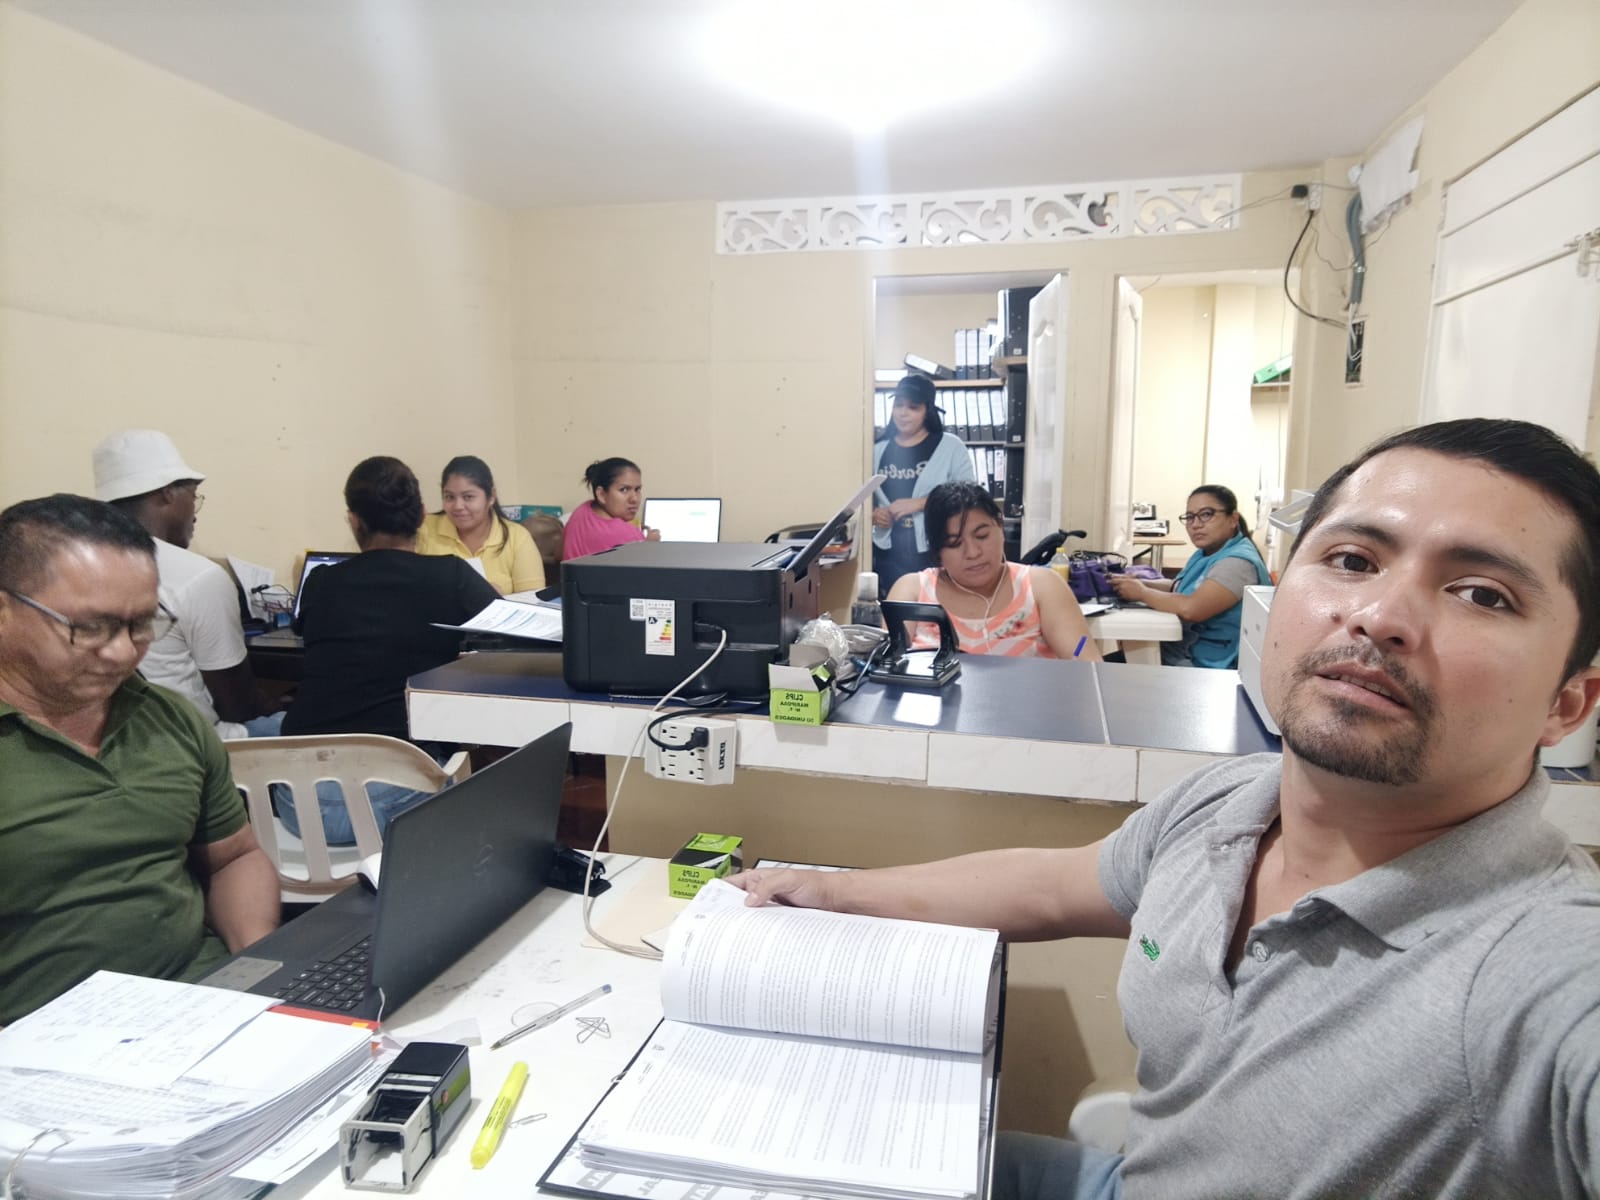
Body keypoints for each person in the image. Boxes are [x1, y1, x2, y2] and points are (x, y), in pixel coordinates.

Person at [734, 418, 1600, 1199]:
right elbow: (1052, 885)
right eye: (1353, 560)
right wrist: (836, 890)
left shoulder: (1542, 968)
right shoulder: (1226, 804)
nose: (1381, 615)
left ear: (1569, 703)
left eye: (1482, 593)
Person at [0, 494, 280, 1023]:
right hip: (39, 1041)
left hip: (204, 1001)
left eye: (142, 624)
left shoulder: (169, 719)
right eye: (90, 627)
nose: (123, 652)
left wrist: (259, 964)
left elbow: (234, 857)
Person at [278, 456, 500, 845]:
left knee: (266, 724)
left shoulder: (321, 581)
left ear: (353, 520)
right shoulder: (450, 576)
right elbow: (509, 628)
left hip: (300, 803)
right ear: (421, 514)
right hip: (394, 799)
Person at [93, 429, 284, 736]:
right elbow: (238, 705)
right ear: (167, 492)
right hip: (196, 744)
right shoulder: (198, 576)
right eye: (194, 497)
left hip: (113, 739)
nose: (194, 515)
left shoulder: (77, 564)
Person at [886, 482, 1100, 661]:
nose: (973, 552)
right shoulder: (912, 591)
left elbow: (1083, 654)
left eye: (982, 536)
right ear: (937, 550)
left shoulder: (1042, 586)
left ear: (1000, 526)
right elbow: (886, 668)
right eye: (954, 543)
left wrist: (1078, 653)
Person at [1109, 483, 1269, 668]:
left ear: (1233, 519)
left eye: (1206, 514)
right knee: (1101, 665)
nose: (1196, 524)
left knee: (1100, 670)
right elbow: (1180, 586)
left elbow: (1192, 608)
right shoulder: (1208, 552)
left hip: (1204, 665)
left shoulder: (1237, 563)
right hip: (1179, 650)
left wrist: (1142, 593)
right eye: (1190, 517)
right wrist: (1139, 582)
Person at [871, 373, 976, 597]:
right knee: (894, 605)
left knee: (935, 604)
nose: (903, 413)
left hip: (934, 547)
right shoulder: (877, 449)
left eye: (913, 407)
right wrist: (874, 514)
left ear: (927, 410)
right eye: (898, 405)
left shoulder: (951, 447)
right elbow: (861, 498)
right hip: (887, 549)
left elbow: (970, 496)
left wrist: (920, 503)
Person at [415, 454, 545, 595]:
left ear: (491, 496)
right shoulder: (423, 528)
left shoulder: (517, 537)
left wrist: (497, 598)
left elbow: (533, 601)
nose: (458, 506)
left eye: (468, 497)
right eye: (449, 497)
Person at [562, 456, 660, 560]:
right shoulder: (628, 535)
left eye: (637, 489)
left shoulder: (581, 510)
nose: (634, 499)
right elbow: (647, 565)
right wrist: (649, 545)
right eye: (624, 490)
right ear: (601, 494)